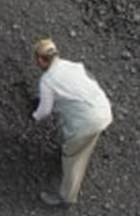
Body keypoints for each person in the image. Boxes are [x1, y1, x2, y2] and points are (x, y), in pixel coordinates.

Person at [31, 37, 112, 206]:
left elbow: (45, 111)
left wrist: (34, 117)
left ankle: (66, 197)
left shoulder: (47, 81)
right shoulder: (73, 66)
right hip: (103, 109)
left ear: (40, 59)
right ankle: (81, 148)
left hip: (88, 121)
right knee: (85, 141)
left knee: (72, 157)